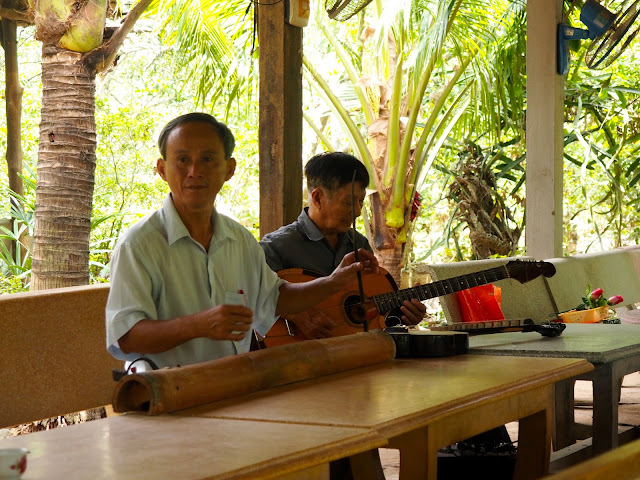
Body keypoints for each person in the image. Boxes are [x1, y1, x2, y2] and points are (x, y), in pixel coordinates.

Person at [105, 113, 378, 370]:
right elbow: (125, 336)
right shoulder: (139, 244)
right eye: (183, 159)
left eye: (208, 159)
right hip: (165, 399)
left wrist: (334, 282)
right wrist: (197, 325)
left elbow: (276, 299)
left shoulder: (239, 240)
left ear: (229, 169)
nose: (194, 171)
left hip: (231, 390)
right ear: (162, 169)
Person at [260, 151, 426, 341]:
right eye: (349, 201)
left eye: (361, 201)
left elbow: (368, 315)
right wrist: (297, 314)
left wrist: (403, 316)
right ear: (318, 198)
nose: (356, 211)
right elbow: (253, 294)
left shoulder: (359, 244)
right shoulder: (276, 246)